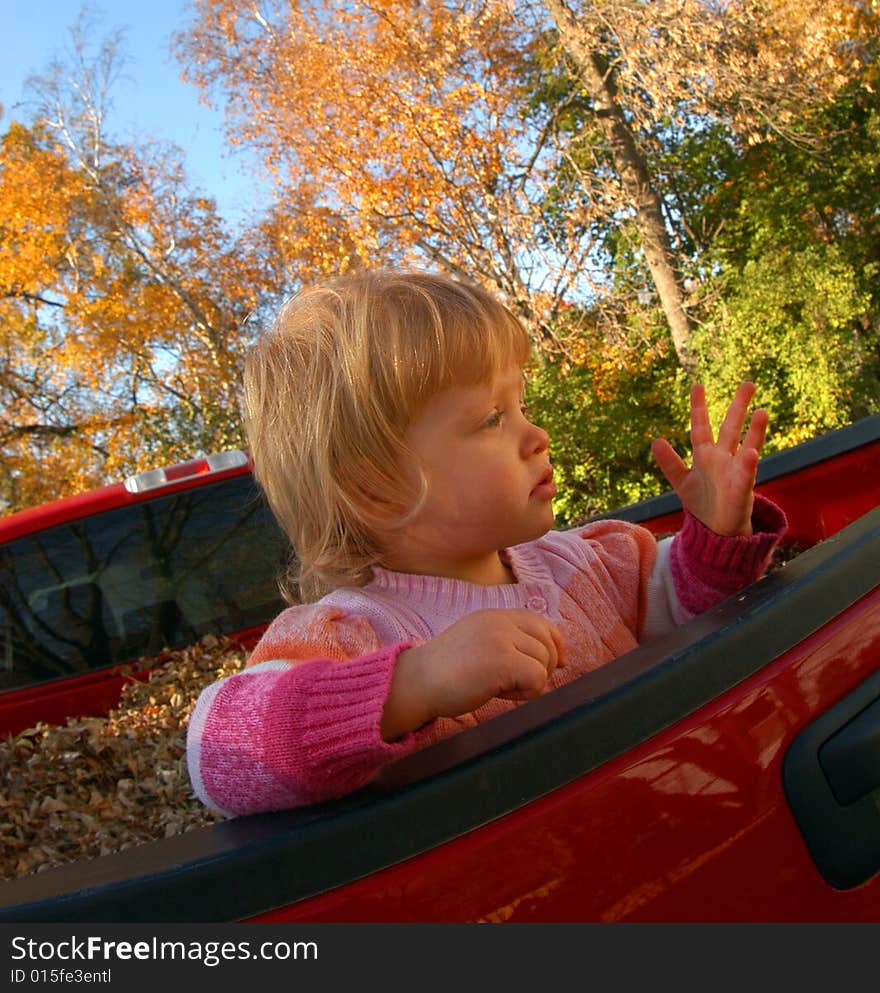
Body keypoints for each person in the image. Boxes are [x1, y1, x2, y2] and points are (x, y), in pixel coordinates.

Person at [186, 269, 786, 817]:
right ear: (375, 489)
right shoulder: (355, 634)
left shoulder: (581, 563)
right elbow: (219, 756)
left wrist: (713, 539)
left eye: (521, 404)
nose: (537, 434)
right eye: (492, 418)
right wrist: (413, 685)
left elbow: (682, 620)